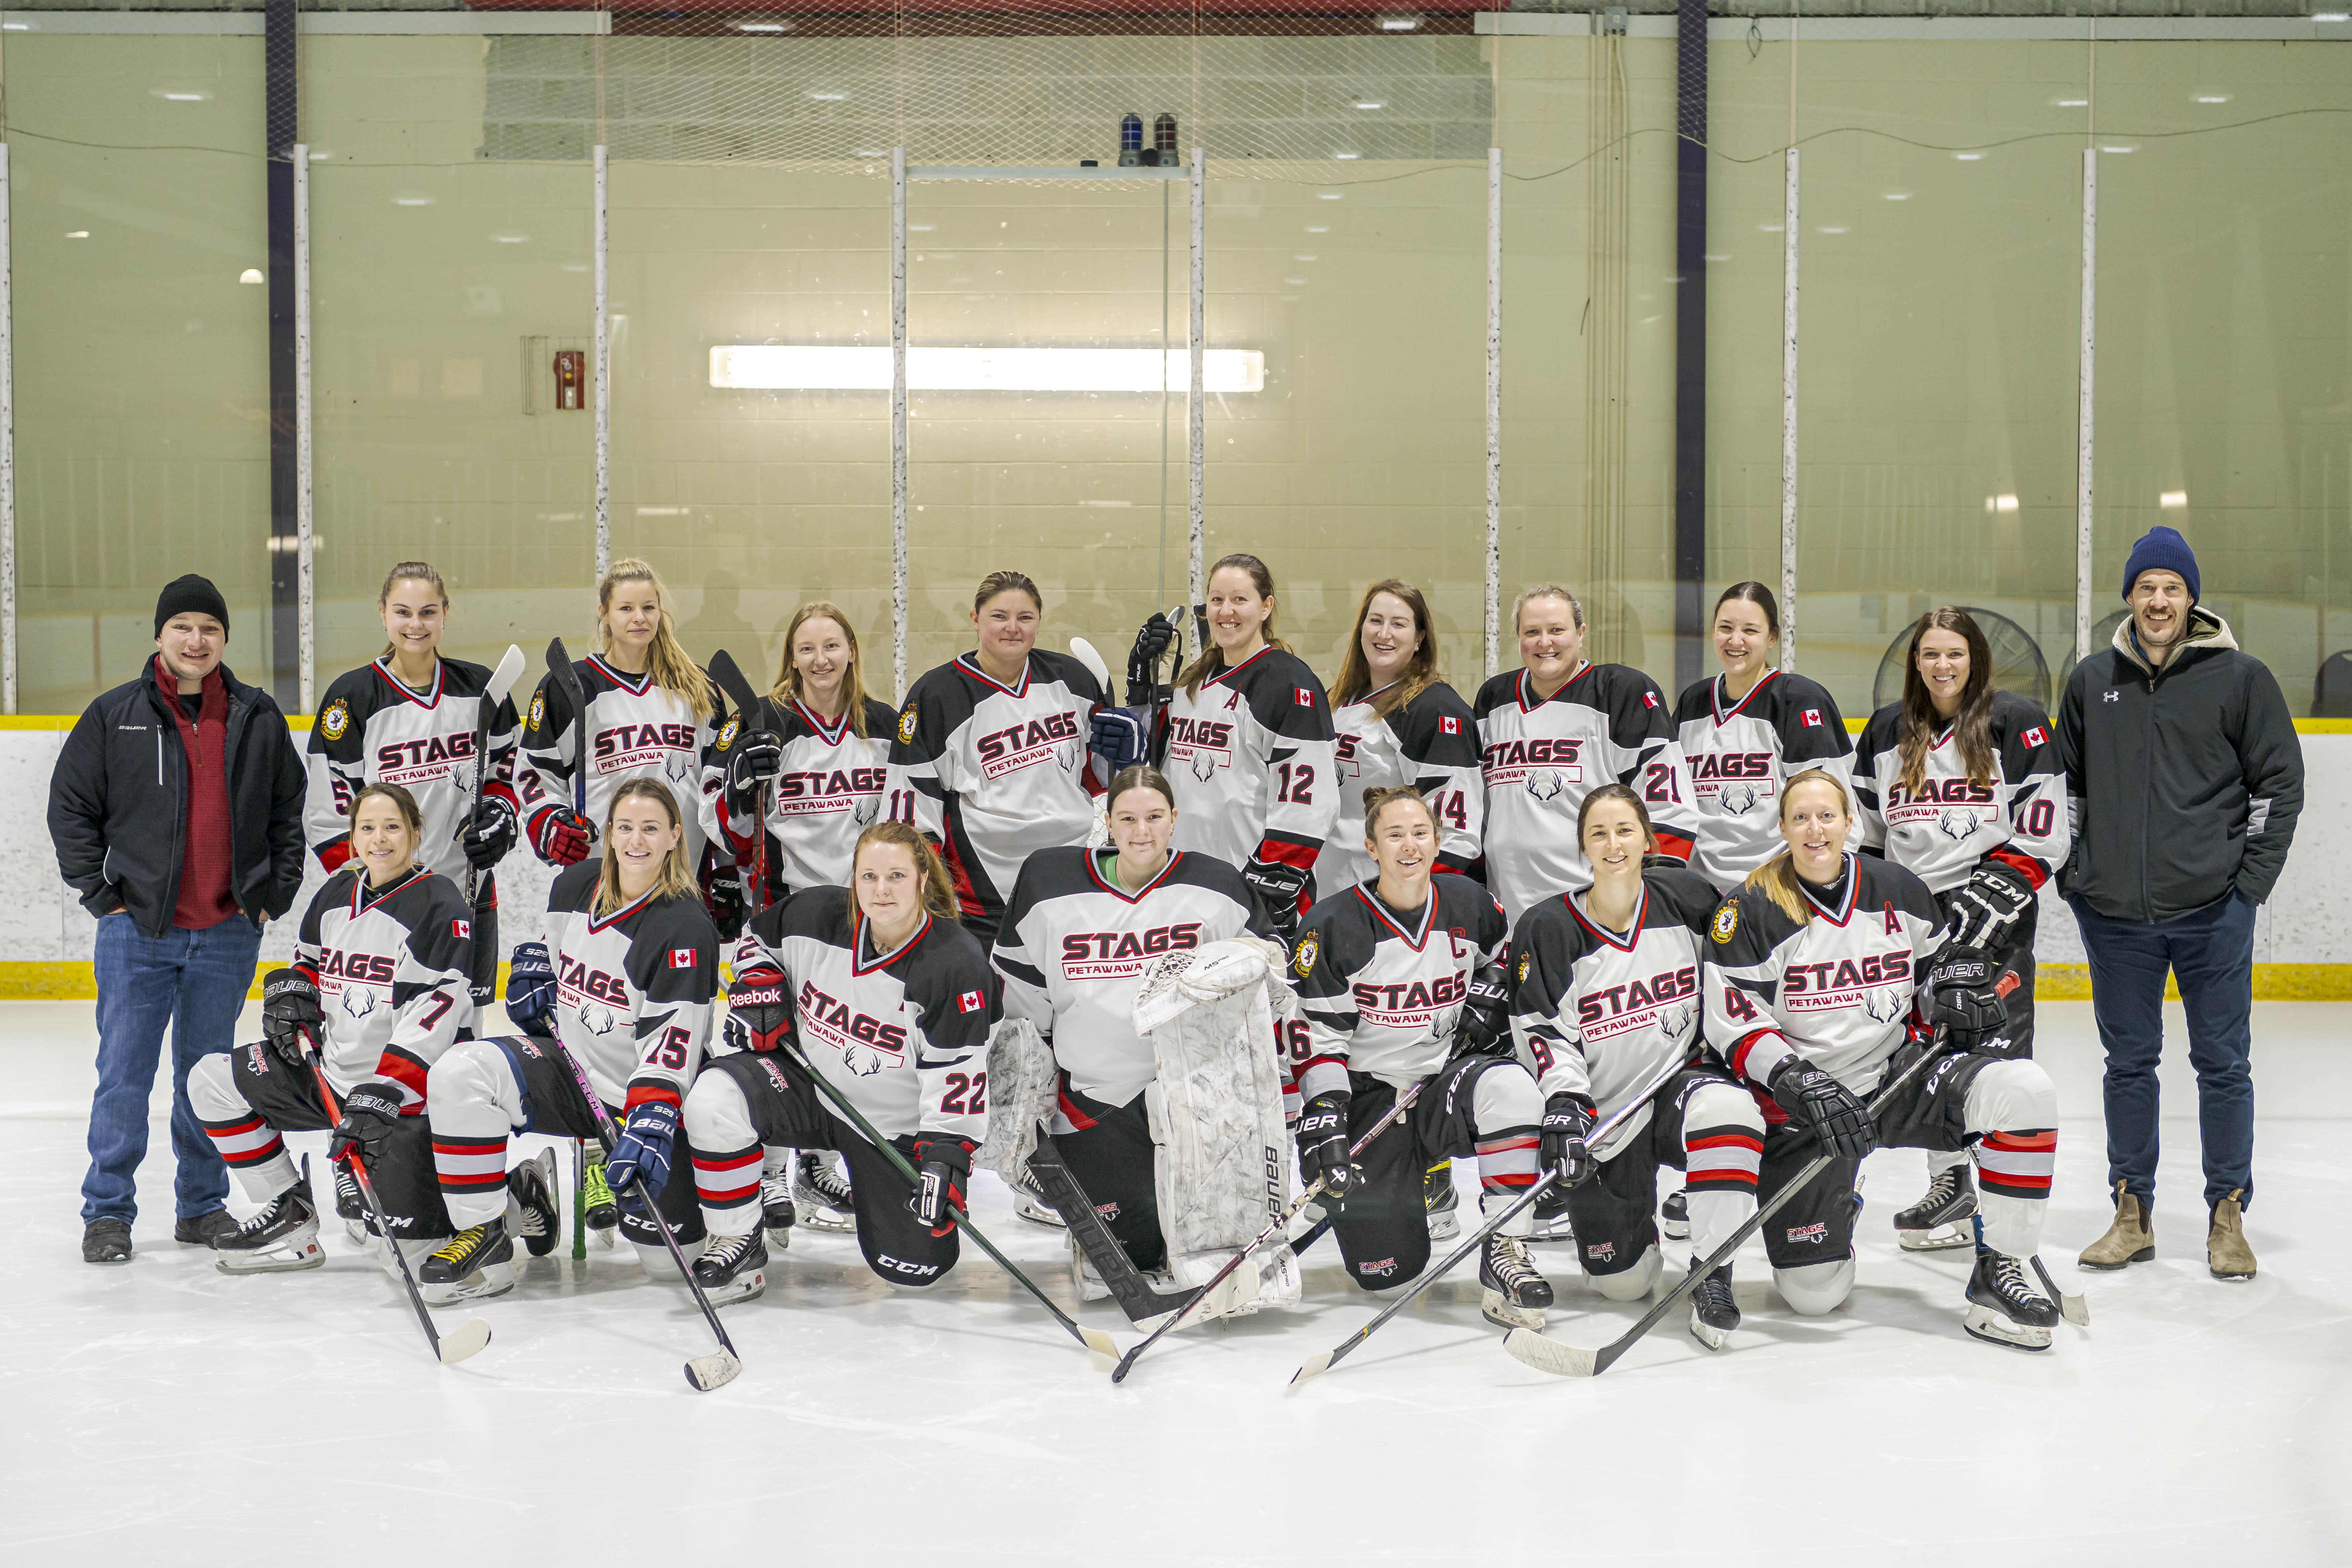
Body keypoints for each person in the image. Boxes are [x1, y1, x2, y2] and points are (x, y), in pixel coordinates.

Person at [1702, 769, 2065, 1350]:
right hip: (1808, 1107)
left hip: (1899, 1078)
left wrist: (1952, 997)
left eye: (1827, 816)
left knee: (2023, 1088)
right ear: (1782, 828)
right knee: (1813, 1296)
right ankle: (1839, 1201)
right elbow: (1733, 1023)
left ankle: (2000, 1269)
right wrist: (1801, 1082)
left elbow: (1932, 975)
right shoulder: (1749, 909)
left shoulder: (1898, 887)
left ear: (1850, 823)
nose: (1815, 829)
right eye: (1800, 818)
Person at [2060, 526, 2303, 1282]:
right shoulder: (2090, 677)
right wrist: (2077, 877)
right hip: (2115, 915)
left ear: (2191, 597)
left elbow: (2279, 786)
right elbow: (2064, 790)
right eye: (2145, 587)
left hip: (2211, 911)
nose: (2158, 600)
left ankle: (2226, 1215)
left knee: (2222, 1064)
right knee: (2128, 1063)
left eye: (2171, 587)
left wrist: (2247, 891)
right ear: (2128, 596)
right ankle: (2131, 1212)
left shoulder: (2240, 678)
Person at [49, 574, 307, 1265]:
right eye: (184, 626)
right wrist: (101, 895)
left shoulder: (255, 715)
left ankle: (200, 1205)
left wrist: (269, 897)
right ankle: (107, 1211)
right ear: (160, 634)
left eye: (210, 628)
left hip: (226, 931)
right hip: (137, 932)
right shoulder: (114, 715)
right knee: (124, 1075)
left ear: (224, 638)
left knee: (207, 1076)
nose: (197, 639)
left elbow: (290, 812)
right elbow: (70, 807)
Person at [186, 785, 519, 1279]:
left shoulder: (439, 903)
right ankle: (289, 1208)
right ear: (353, 835)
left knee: (409, 1259)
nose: (379, 839)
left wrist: (382, 1090)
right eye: (367, 828)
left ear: (415, 833)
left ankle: (515, 1199)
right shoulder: (337, 892)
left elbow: (437, 1011)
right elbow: (308, 965)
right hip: (333, 1079)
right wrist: (293, 997)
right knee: (211, 1080)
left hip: (402, 1097)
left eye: (392, 827)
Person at [423, 778, 721, 1301]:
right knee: (459, 1070)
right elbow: (556, 974)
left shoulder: (686, 928)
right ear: (608, 832)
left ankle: (733, 1215)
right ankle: (489, 1228)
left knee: (673, 1268)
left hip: (645, 1102)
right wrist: (534, 988)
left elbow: (673, 1046)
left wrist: (652, 1119)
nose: (636, 841)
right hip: (570, 1073)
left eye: (651, 829)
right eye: (625, 827)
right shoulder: (574, 885)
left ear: (676, 836)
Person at [681, 822, 997, 1302]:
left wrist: (946, 1159)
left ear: (922, 880)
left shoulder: (954, 963)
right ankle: (739, 1238)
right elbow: (754, 942)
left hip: (891, 1127)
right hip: (810, 1090)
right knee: (713, 1100)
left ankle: (877, 1198)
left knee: (915, 1270)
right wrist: (760, 976)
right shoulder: (815, 914)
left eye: (896, 876)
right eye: (868, 876)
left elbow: (959, 1075)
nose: (881, 890)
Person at [992, 764, 1277, 1289]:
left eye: (1154, 817)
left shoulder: (1216, 884)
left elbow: (1271, 971)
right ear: (1108, 822)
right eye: (1127, 819)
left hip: (1195, 1099)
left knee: (1207, 1252)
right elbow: (1022, 992)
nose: (1141, 831)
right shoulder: (1049, 883)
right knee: (1133, 1259)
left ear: (1174, 820)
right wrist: (1034, 1087)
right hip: (1096, 1101)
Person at [1288, 787, 1555, 1328]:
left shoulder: (1467, 901)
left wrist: (1494, 989)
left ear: (1438, 840)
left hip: (1442, 1083)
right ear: (1371, 846)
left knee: (1514, 1090)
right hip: (1370, 1093)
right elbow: (1321, 1034)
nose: (1409, 846)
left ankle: (1504, 1247)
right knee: (1387, 1273)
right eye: (1394, 835)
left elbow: (1508, 955)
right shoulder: (1332, 924)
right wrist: (1327, 1113)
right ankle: (1413, 1181)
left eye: (1420, 833)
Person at [1508, 784, 1762, 1349]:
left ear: (1648, 839)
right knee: (1621, 1285)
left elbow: (1737, 967)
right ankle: (1636, 1232)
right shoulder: (1548, 927)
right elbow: (1540, 1029)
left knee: (1729, 1109)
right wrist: (1567, 1103)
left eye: (1624, 830)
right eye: (1597, 832)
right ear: (1582, 847)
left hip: (1678, 1086)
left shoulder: (1688, 898)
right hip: (1606, 1118)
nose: (1612, 843)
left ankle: (1711, 1268)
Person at [1854, 607, 2068, 1250]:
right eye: (1929, 655)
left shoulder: (2016, 722)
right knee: (1926, 1056)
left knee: (1996, 1060)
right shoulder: (1888, 731)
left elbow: (2044, 820)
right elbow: (1866, 835)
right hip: (1911, 923)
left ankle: (2004, 1218)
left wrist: (1995, 891)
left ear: (1974, 658)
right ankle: (1951, 1186)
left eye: (1954, 653)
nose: (1941, 666)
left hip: (1993, 923)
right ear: (1914, 662)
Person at [700, 598, 897, 1236]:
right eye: (807, 649)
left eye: (832, 646)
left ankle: (813, 1169)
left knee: (842, 1041)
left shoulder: (885, 726)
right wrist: (738, 782)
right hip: (784, 915)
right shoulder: (764, 723)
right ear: (792, 657)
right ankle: (764, 1171)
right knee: (770, 1040)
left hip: (862, 919)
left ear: (851, 652)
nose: (820, 660)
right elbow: (724, 828)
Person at [303, 561, 521, 1020]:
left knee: (463, 1030)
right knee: (384, 1025)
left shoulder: (481, 688)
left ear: (445, 614)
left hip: (468, 892)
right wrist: (368, 884)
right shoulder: (352, 697)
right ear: (383, 614)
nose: (415, 625)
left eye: (427, 612)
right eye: (403, 612)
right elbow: (329, 810)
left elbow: (509, 771)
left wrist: (503, 812)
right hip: (385, 900)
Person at [883, 570, 1110, 948]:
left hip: (1074, 877)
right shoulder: (937, 694)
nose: (1012, 628)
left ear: (1039, 620)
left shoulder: (1072, 679)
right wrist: (925, 891)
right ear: (975, 619)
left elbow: (1099, 774)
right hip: (986, 895)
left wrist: (1130, 746)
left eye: (1025, 617)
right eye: (999, 616)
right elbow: (913, 800)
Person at [516, 557, 730, 928]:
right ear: (604, 612)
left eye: (649, 607)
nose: (639, 618)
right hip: (603, 883)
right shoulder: (570, 686)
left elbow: (718, 784)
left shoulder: (697, 688)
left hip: (684, 878)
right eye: (626, 608)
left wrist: (727, 873)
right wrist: (552, 822)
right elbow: (536, 773)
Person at [1473, 585, 1696, 927]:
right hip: (1508, 914)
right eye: (1531, 632)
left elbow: (1670, 807)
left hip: (1597, 915)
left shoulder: (1621, 692)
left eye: (1556, 630)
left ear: (1580, 633)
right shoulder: (1494, 698)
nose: (1544, 642)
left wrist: (1649, 901)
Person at [1142, 553, 1338, 938]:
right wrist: (1144, 687)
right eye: (1216, 600)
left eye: (1239, 599)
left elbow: (1308, 806)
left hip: (1249, 893)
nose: (1225, 611)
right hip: (1182, 884)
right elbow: (1160, 772)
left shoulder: (1288, 683)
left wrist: (1266, 890)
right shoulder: (1192, 682)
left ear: (1266, 606)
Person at [1675, 581, 1851, 895]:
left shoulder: (1798, 700)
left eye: (1751, 631)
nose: (1735, 640)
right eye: (1725, 628)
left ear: (1772, 638)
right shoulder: (1692, 702)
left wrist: (1821, 888)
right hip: (1699, 891)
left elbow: (1834, 810)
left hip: (1778, 890)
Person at [1314, 578, 1483, 901]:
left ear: (1420, 638)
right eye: (1375, 621)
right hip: (1331, 893)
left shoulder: (1436, 709)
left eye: (1399, 624)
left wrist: (1413, 905)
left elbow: (1456, 834)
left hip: (1388, 902)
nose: (1384, 634)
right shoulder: (1339, 698)